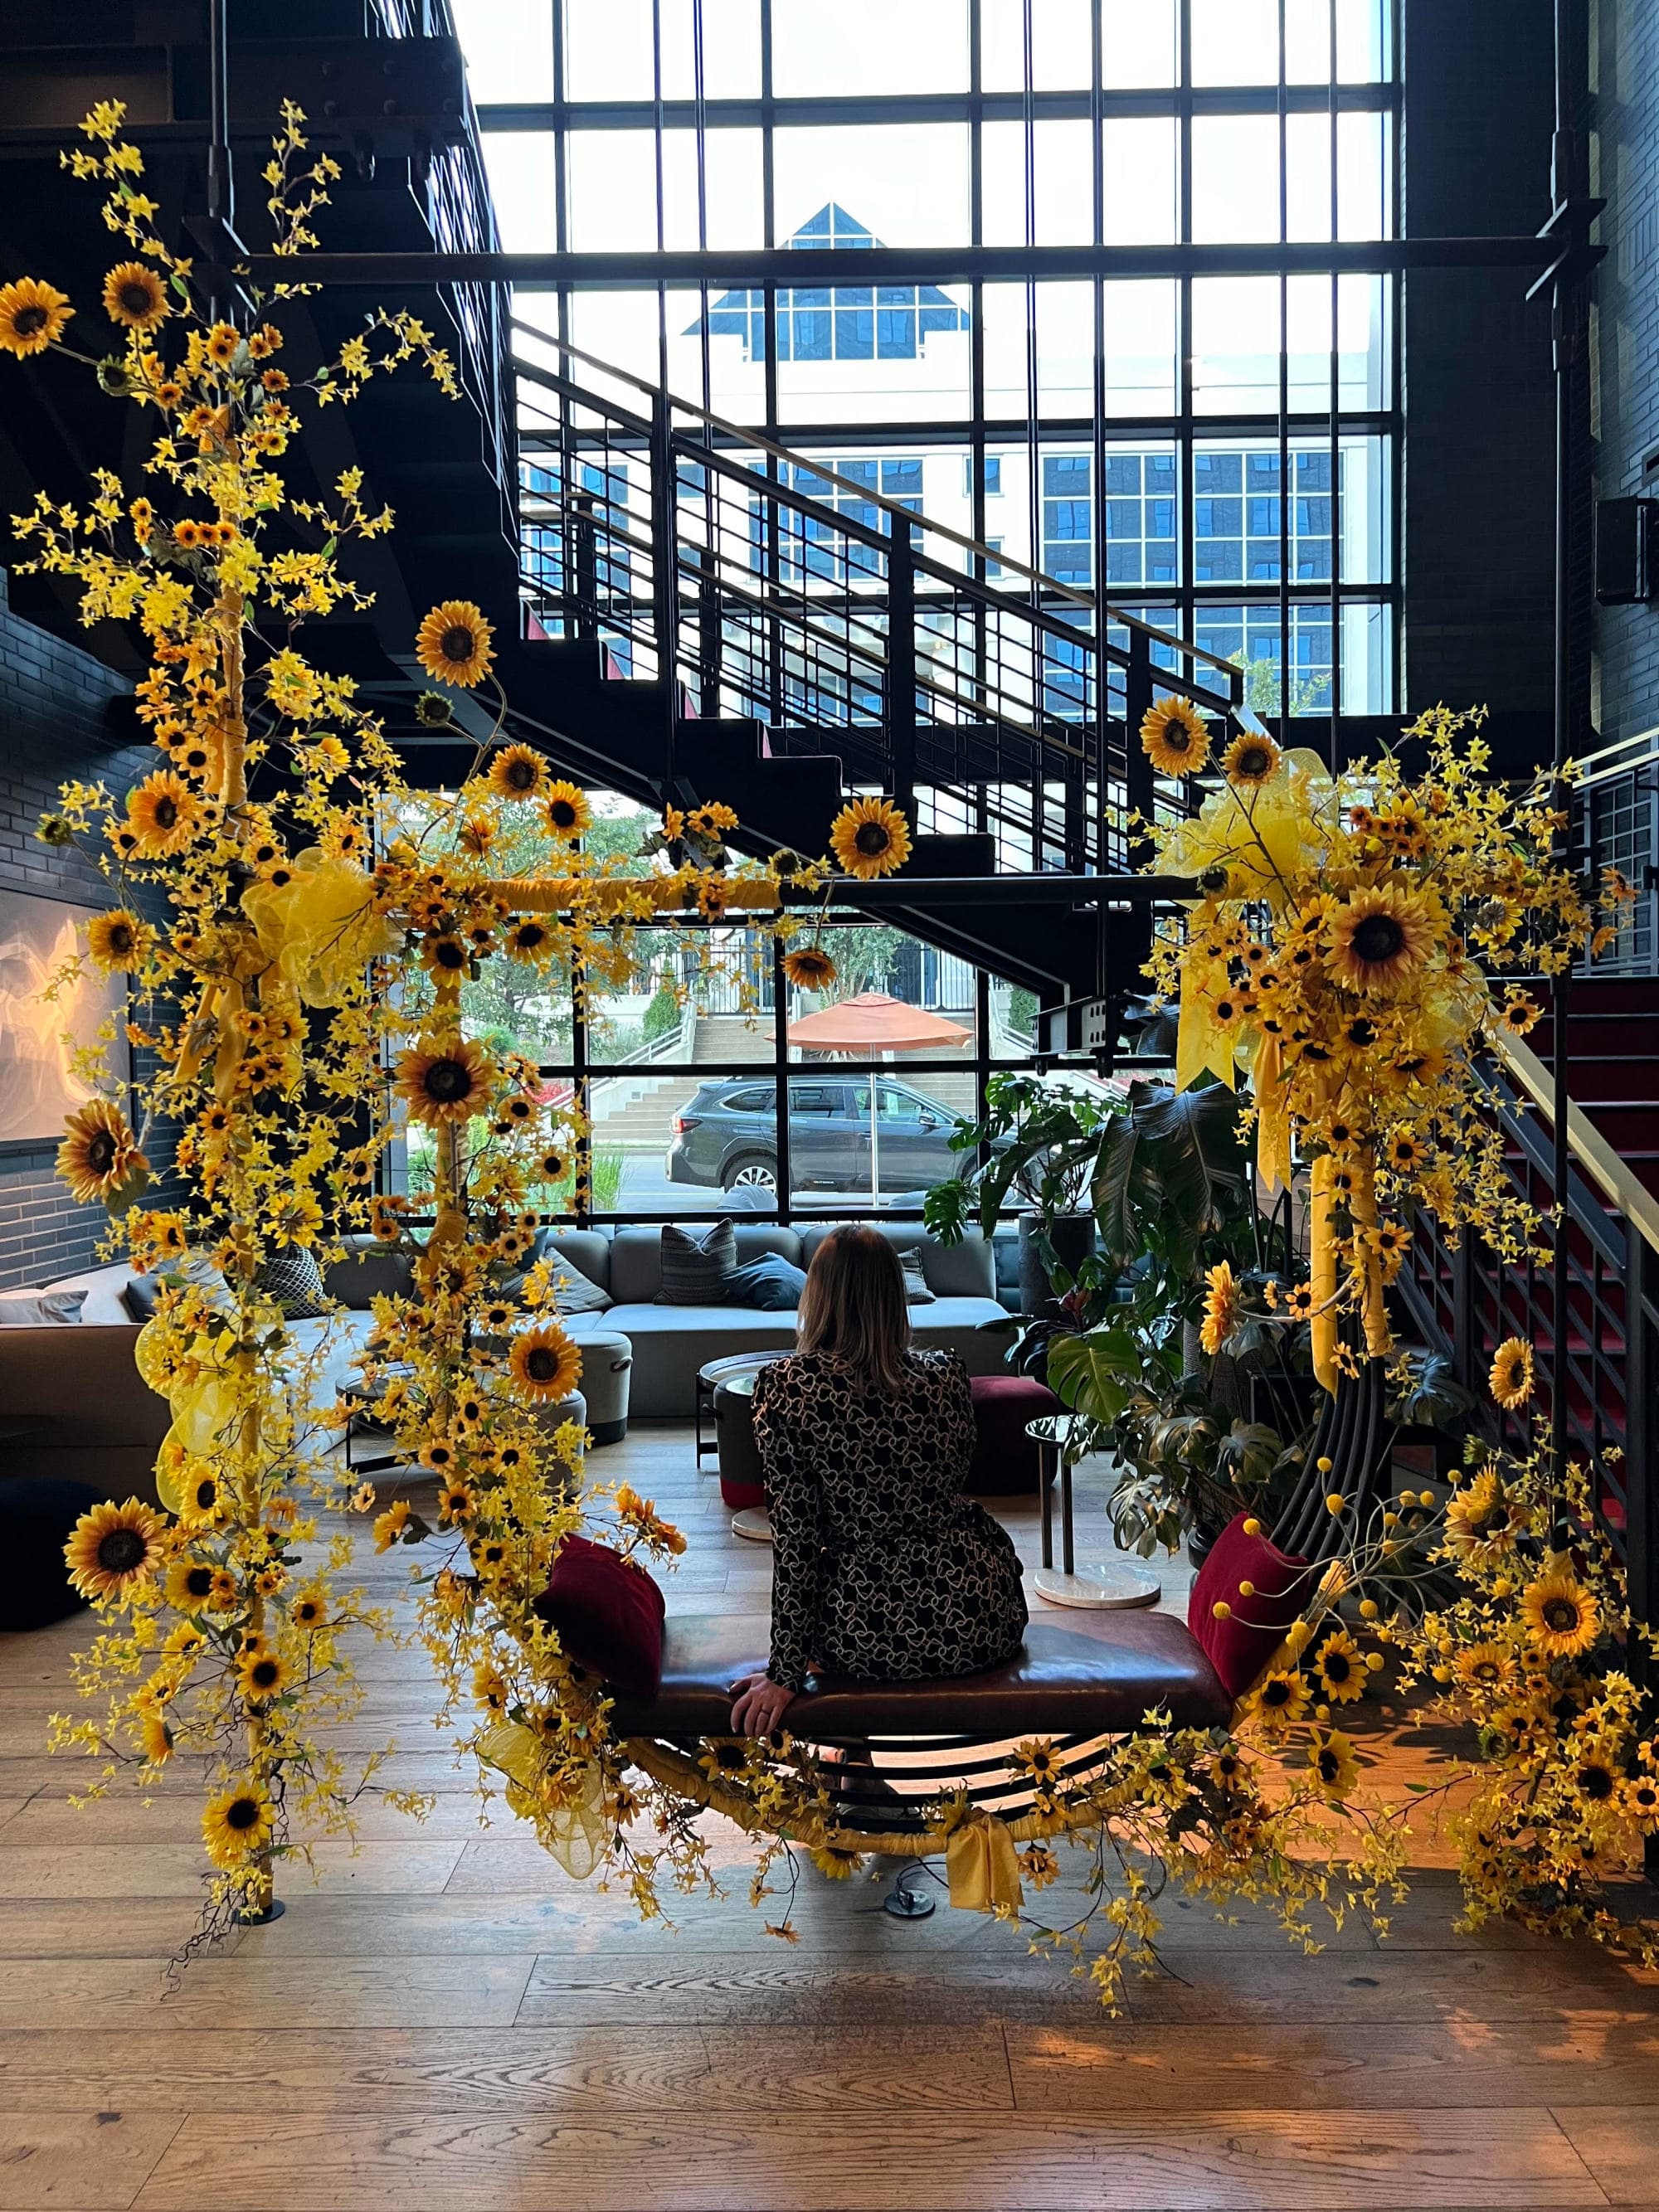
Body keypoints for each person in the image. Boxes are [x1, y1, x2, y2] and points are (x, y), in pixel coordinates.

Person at [728, 1225, 1029, 1735]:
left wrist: (783, 1673)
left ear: (818, 1297)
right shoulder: (946, 1375)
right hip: (981, 1607)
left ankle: (848, 1767)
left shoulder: (788, 1389)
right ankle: (853, 1765)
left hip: (870, 1623)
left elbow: (798, 1544)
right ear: (895, 1295)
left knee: (827, 1625)